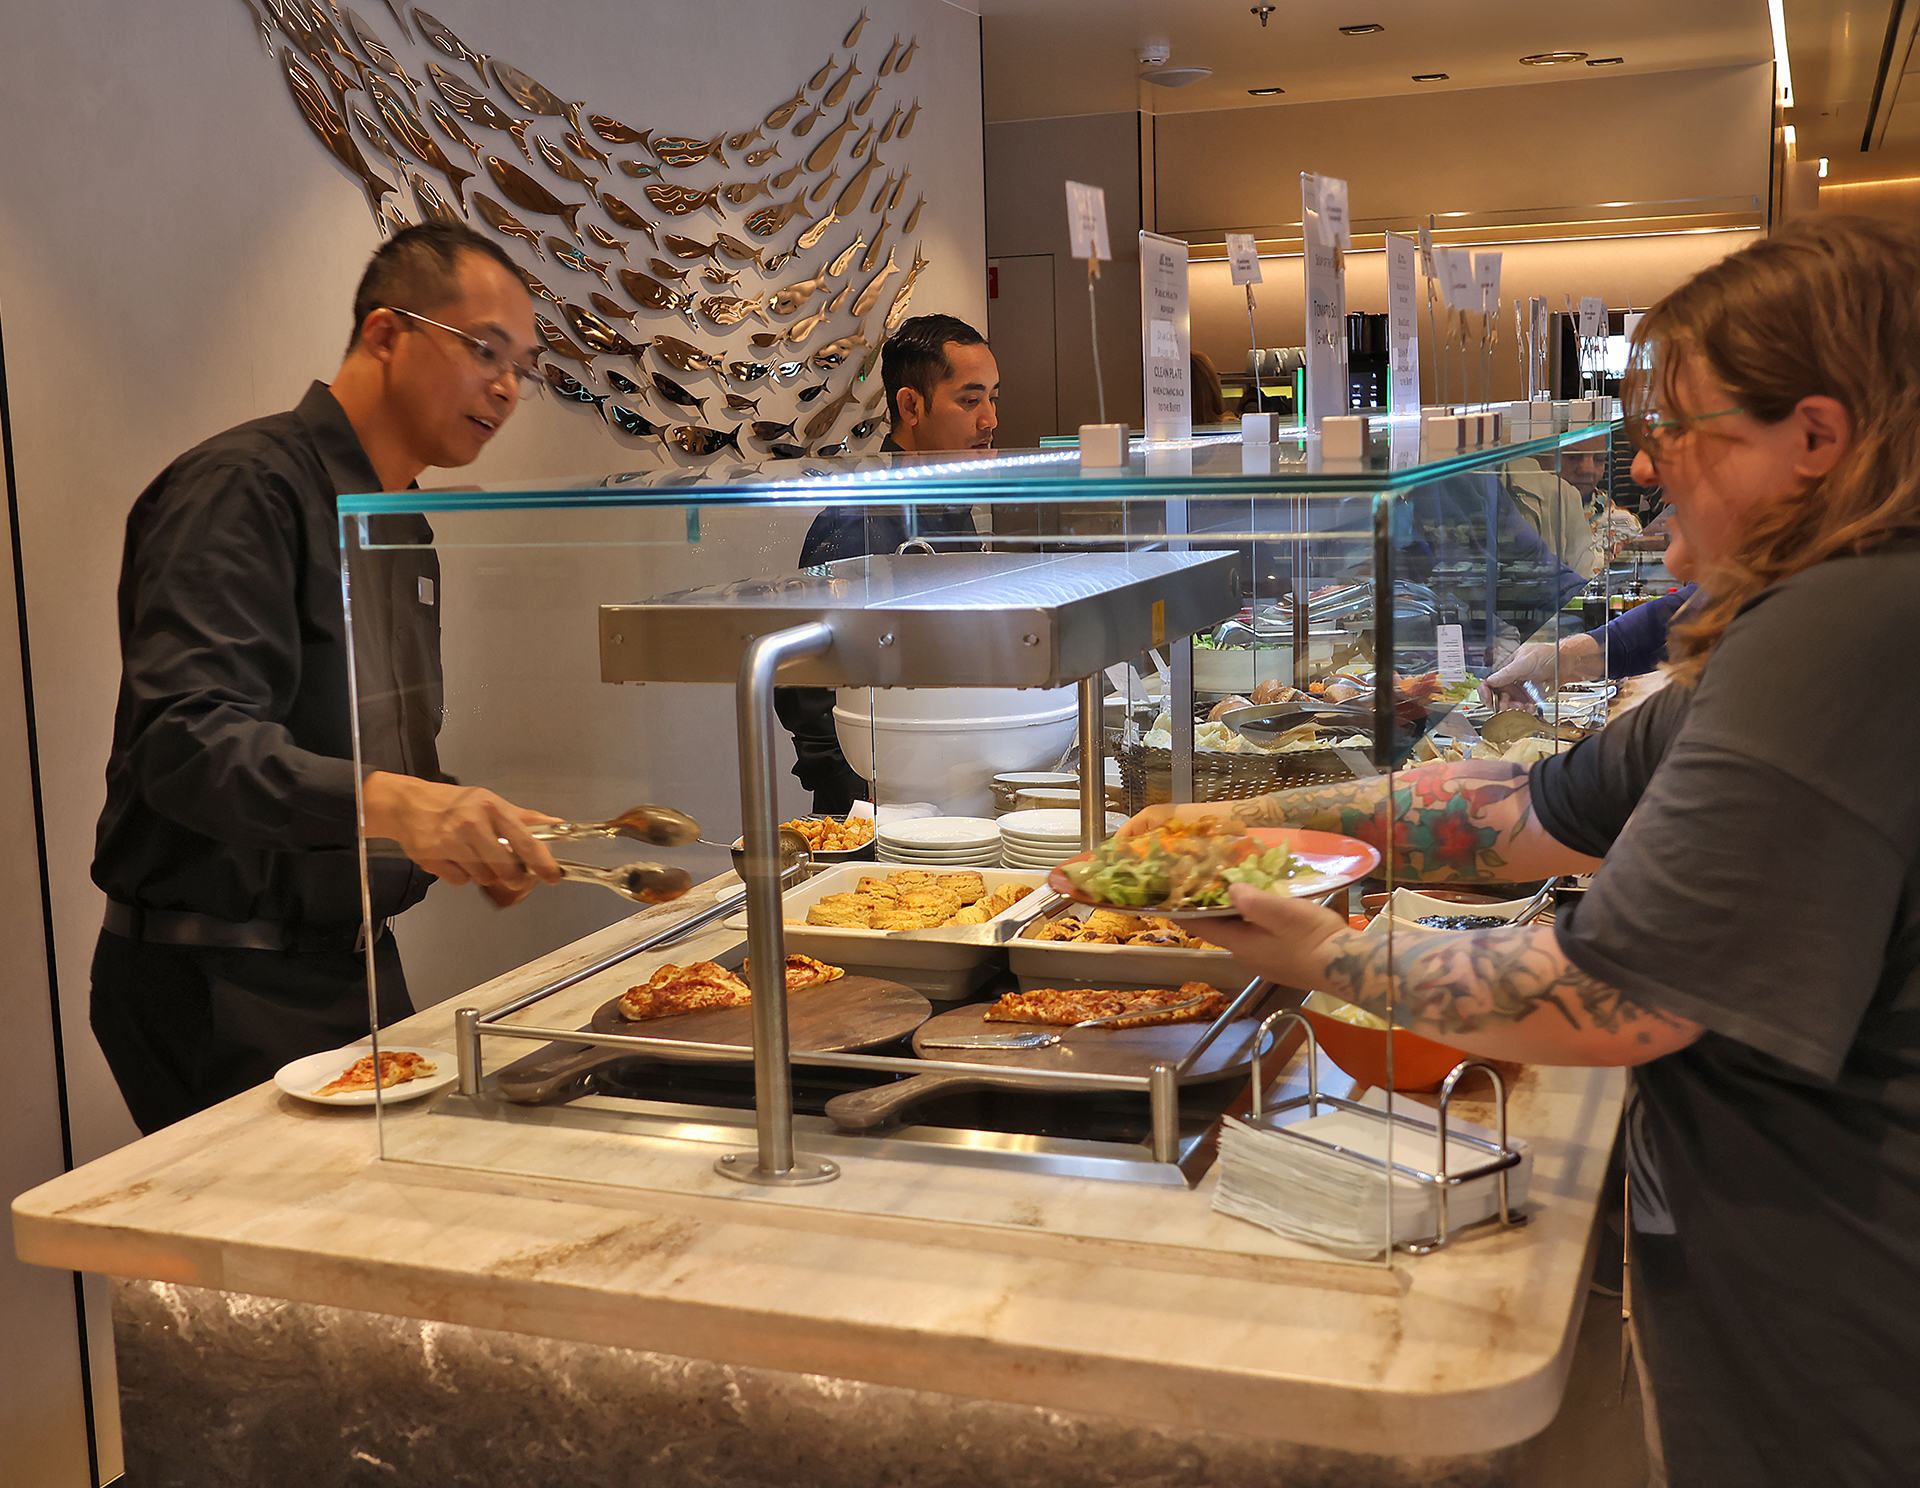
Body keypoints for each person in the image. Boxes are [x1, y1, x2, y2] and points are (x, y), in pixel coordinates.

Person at [1128, 216, 1920, 1486]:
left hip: (1849, 1340)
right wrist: (1244, 824)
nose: (1647, 466)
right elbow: (1524, 807)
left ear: (1815, 438)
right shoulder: (1838, 612)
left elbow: (1610, 997)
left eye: (1682, 428)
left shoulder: (1840, 632)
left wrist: (1320, 950)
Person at [91, 223, 564, 1134]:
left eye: (523, 367)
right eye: (484, 350)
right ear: (386, 333)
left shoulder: (398, 520)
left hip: (355, 961)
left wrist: (462, 822)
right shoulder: (244, 487)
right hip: (221, 976)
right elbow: (187, 743)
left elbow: (368, 745)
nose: (507, 387)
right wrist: (404, 806)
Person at [776, 315, 1000, 812]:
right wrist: (861, 797)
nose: (989, 420)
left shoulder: (953, 506)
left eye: (993, 398)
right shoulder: (858, 519)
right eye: (970, 401)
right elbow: (803, 683)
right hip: (883, 800)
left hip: (954, 780)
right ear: (911, 405)